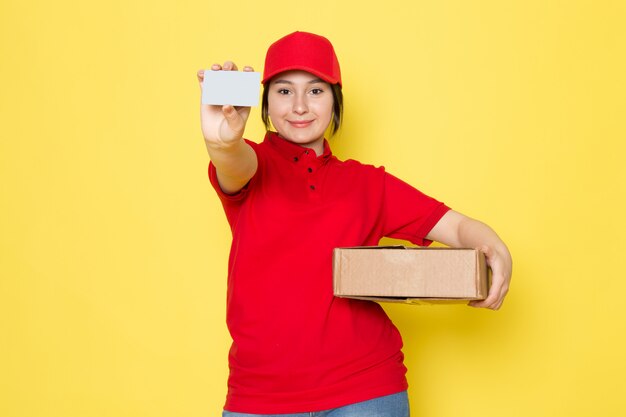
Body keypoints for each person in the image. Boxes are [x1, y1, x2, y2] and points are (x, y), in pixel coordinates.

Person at [197, 31, 512, 417]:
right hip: (260, 397)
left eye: (315, 91)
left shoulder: (368, 184)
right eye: (283, 91)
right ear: (264, 102)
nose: (299, 106)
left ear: (335, 100)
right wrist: (223, 143)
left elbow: (460, 228)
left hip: (366, 391)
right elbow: (233, 163)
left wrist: (497, 249)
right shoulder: (254, 166)